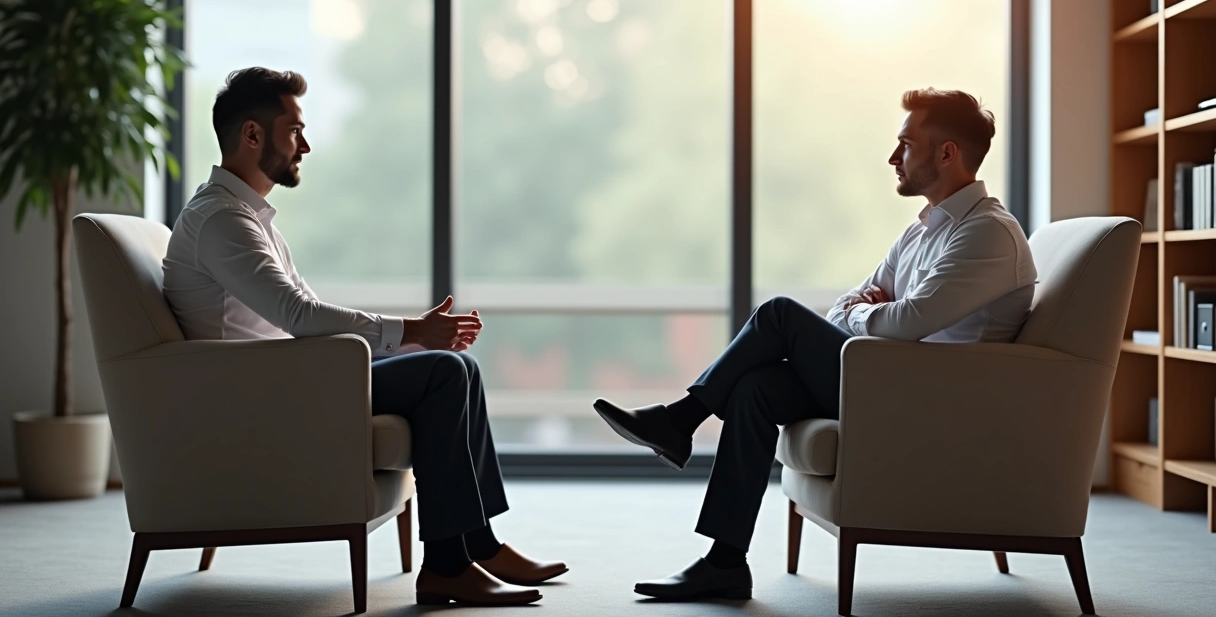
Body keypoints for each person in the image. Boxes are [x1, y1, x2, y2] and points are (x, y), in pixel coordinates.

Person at [593, 88, 1038, 601]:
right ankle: (724, 562)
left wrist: (865, 312)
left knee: (779, 314)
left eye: (906, 145)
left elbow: (906, 322)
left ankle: (680, 420)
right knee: (757, 387)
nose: (893, 157)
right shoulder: (921, 233)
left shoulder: (986, 235)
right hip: (892, 382)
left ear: (946, 153)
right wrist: (868, 311)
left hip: (930, 404)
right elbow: (844, 308)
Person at [161, 67, 566, 607]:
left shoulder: (248, 219)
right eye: (294, 130)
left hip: (287, 376)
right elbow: (298, 314)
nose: (305, 144)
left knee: (459, 369)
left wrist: (410, 337)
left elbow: (299, 315)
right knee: (443, 370)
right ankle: (449, 566)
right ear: (253, 134)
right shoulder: (221, 221)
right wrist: (413, 331)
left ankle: (478, 545)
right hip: (259, 395)